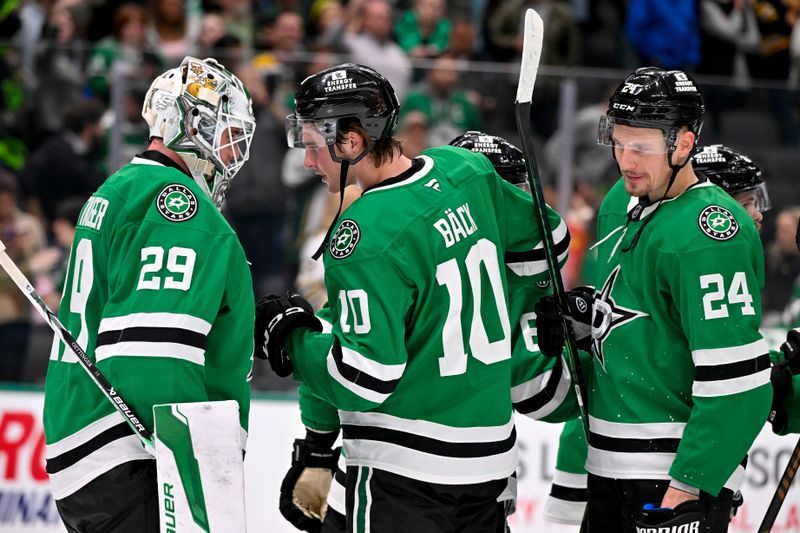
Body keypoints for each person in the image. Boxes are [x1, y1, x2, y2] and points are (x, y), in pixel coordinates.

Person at [255, 64, 567, 532]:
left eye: (313, 146)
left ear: (352, 141)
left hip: (402, 475)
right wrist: (504, 307)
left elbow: (364, 376)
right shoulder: (466, 170)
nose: (307, 162)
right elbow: (551, 242)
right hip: (491, 467)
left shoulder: (363, 238)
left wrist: (292, 343)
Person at [536, 67, 771, 532]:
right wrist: (581, 323)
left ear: (684, 145)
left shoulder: (711, 233)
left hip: (668, 478)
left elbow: (738, 383)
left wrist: (688, 487)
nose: (626, 160)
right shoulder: (616, 206)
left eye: (641, 147)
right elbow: (635, 327)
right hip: (603, 465)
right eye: (618, 142)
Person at [42, 56, 256, 532]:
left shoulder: (120, 189)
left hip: (88, 447)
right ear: (190, 121)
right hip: (135, 461)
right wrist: (194, 468)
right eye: (227, 131)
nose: (233, 150)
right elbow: (151, 353)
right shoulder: (179, 209)